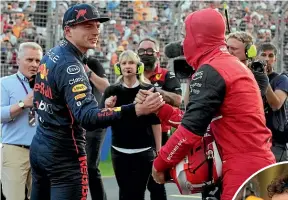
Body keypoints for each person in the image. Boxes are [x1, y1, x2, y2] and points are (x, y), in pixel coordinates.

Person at [29, 4, 164, 200]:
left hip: (41, 146)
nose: (95, 31)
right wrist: (135, 109)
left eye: (97, 26)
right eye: (87, 26)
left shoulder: (51, 54)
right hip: (64, 155)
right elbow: (87, 117)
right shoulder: (71, 66)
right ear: (68, 30)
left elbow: (42, 95)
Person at [150, 8, 275, 200]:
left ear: (197, 37)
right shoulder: (232, 64)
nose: (184, 42)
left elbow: (191, 131)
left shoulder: (212, 68)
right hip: (255, 163)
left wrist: (160, 163)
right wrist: (162, 109)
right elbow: (202, 121)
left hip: (243, 168)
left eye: (187, 35)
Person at [101, 50, 162, 200]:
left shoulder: (148, 89)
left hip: (144, 150)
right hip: (119, 151)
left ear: (138, 67)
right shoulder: (111, 91)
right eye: (124, 63)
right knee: (124, 193)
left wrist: (159, 149)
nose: (128, 66)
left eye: (131, 63)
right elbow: (102, 120)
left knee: (138, 193)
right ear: (118, 67)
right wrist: (107, 109)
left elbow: (155, 122)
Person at [137, 37, 182, 200]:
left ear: (157, 54)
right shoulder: (132, 74)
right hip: (135, 134)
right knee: (133, 184)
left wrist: (158, 93)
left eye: (149, 51)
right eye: (142, 51)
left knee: (157, 184)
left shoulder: (166, 75)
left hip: (161, 136)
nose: (145, 54)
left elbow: (178, 100)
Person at [1, 42, 42, 200]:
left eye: (38, 61)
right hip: (15, 150)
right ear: (18, 60)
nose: (34, 64)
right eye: (29, 59)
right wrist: (22, 104)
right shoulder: (5, 83)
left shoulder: (46, 85)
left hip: (41, 152)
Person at [83, 56, 110, 200]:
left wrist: (87, 71)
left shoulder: (91, 62)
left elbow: (106, 87)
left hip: (94, 121)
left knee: (90, 168)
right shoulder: (62, 61)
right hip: (72, 122)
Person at [259, 43, 288, 162]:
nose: (267, 59)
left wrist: (263, 79)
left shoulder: (281, 79)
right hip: (255, 140)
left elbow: (275, 105)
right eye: (263, 55)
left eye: (271, 56)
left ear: (275, 59)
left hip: (275, 142)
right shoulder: (250, 77)